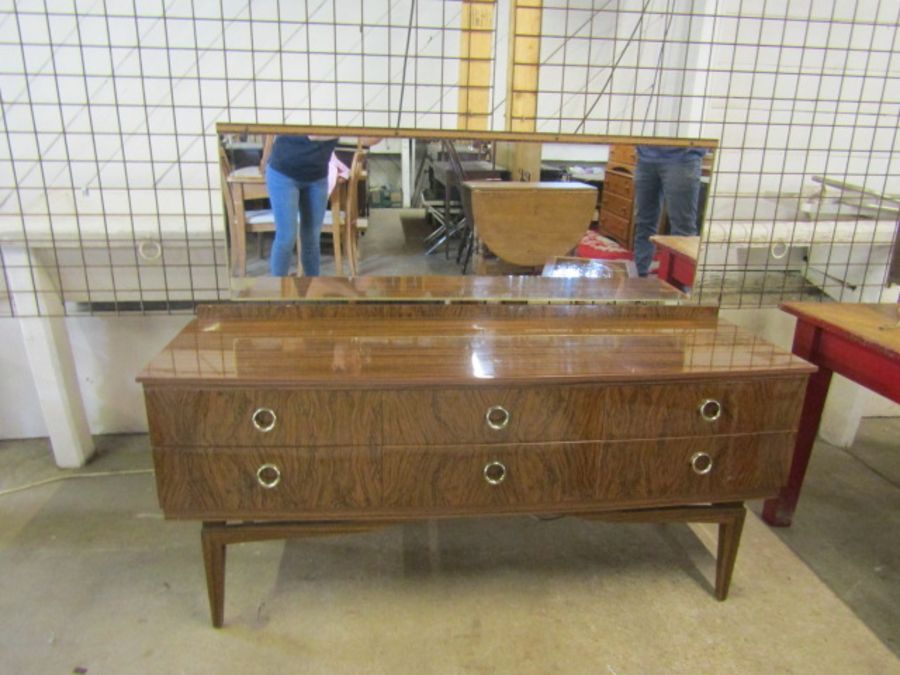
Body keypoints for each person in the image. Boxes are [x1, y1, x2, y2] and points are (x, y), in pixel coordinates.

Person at [261, 134, 338, 277]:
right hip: (283, 172)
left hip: (317, 176)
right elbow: (313, 135)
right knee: (286, 237)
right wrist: (347, 130)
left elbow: (366, 138)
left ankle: (311, 291)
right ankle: (279, 293)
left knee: (312, 239)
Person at [632, 145, 707, 277]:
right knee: (643, 221)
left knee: (682, 228)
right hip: (645, 157)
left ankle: (680, 286)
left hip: (683, 157)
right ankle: (639, 276)